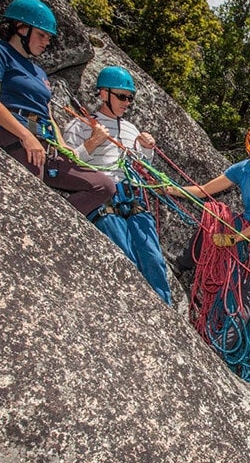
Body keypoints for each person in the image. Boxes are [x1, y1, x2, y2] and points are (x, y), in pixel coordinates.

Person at [0, 0, 113, 218]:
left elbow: (47, 113)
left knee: (103, 186)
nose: (46, 42)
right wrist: (25, 136)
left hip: (45, 142)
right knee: (31, 196)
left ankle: (55, 223)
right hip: (13, 135)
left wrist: (61, 145)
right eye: (42, 35)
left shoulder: (38, 72)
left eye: (48, 37)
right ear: (20, 28)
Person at [61, 65, 171, 305]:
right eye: (121, 96)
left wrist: (146, 151)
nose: (126, 102)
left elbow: (140, 166)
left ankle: (167, 313)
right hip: (103, 196)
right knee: (124, 258)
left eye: (129, 98)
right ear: (103, 94)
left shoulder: (131, 130)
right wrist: (92, 143)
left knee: (153, 258)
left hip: (131, 195)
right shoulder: (81, 125)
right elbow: (67, 166)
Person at [170, 122, 250, 316]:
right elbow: (205, 190)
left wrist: (234, 239)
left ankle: (224, 339)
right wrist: (170, 189)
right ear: (248, 151)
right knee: (211, 225)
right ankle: (180, 265)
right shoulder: (241, 169)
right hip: (248, 221)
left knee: (247, 290)